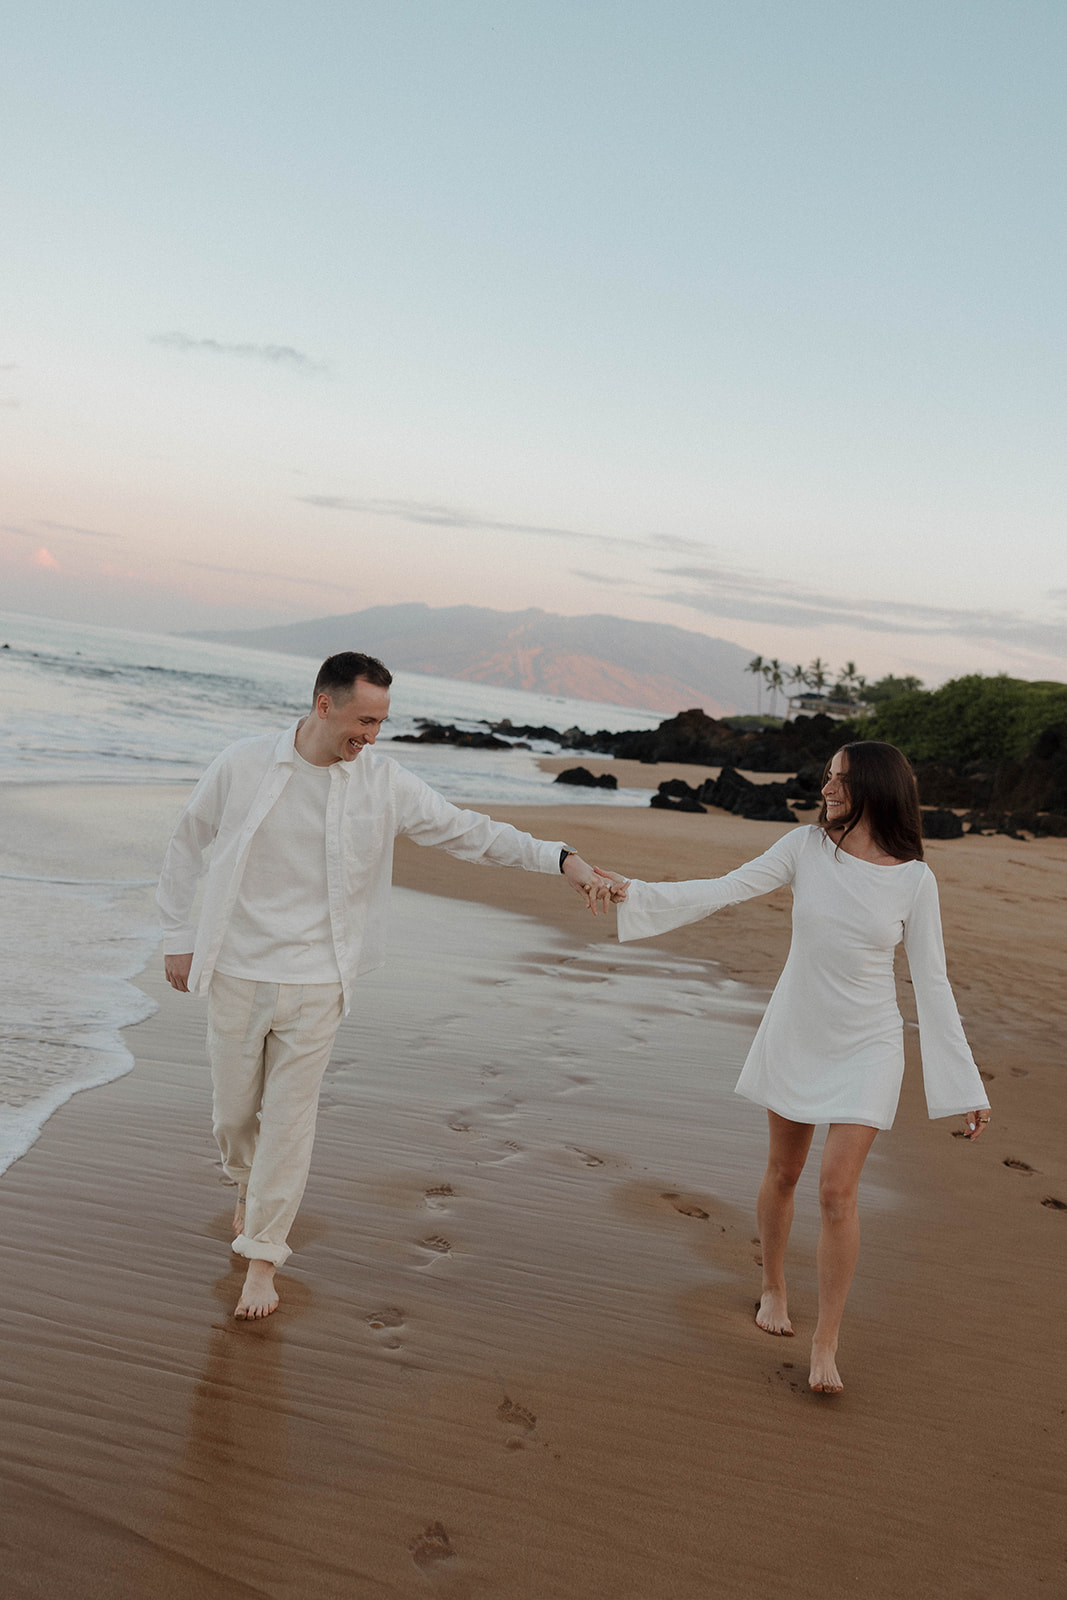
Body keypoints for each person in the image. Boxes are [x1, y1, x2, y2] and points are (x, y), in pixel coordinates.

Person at [157, 651, 617, 1321]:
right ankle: (246, 1185)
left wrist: (560, 859)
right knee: (233, 1115)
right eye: (364, 721)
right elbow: (185, 843)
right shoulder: (243, 764)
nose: (371, 737)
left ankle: (263, 1255)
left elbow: (469, 833)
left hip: (321, 979)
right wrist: (177, 937)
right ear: (324, 705)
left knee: (290, 1123)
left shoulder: (382, 783)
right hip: (239, 969)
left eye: (380, 724)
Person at [602, 741, 990, 1395]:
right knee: (783, 1172)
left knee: (836, 1192)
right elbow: (724, 889)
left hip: (868, 1043)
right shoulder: (804, 849)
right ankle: (772, 1286)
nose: (826, 785)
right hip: (798, 1030)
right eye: (828, 776)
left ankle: (826, 1342)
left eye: (838, 777)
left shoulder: (912, 878)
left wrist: (964, 1085)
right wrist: (631, 892)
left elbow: (932, 982)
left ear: (870, 786)